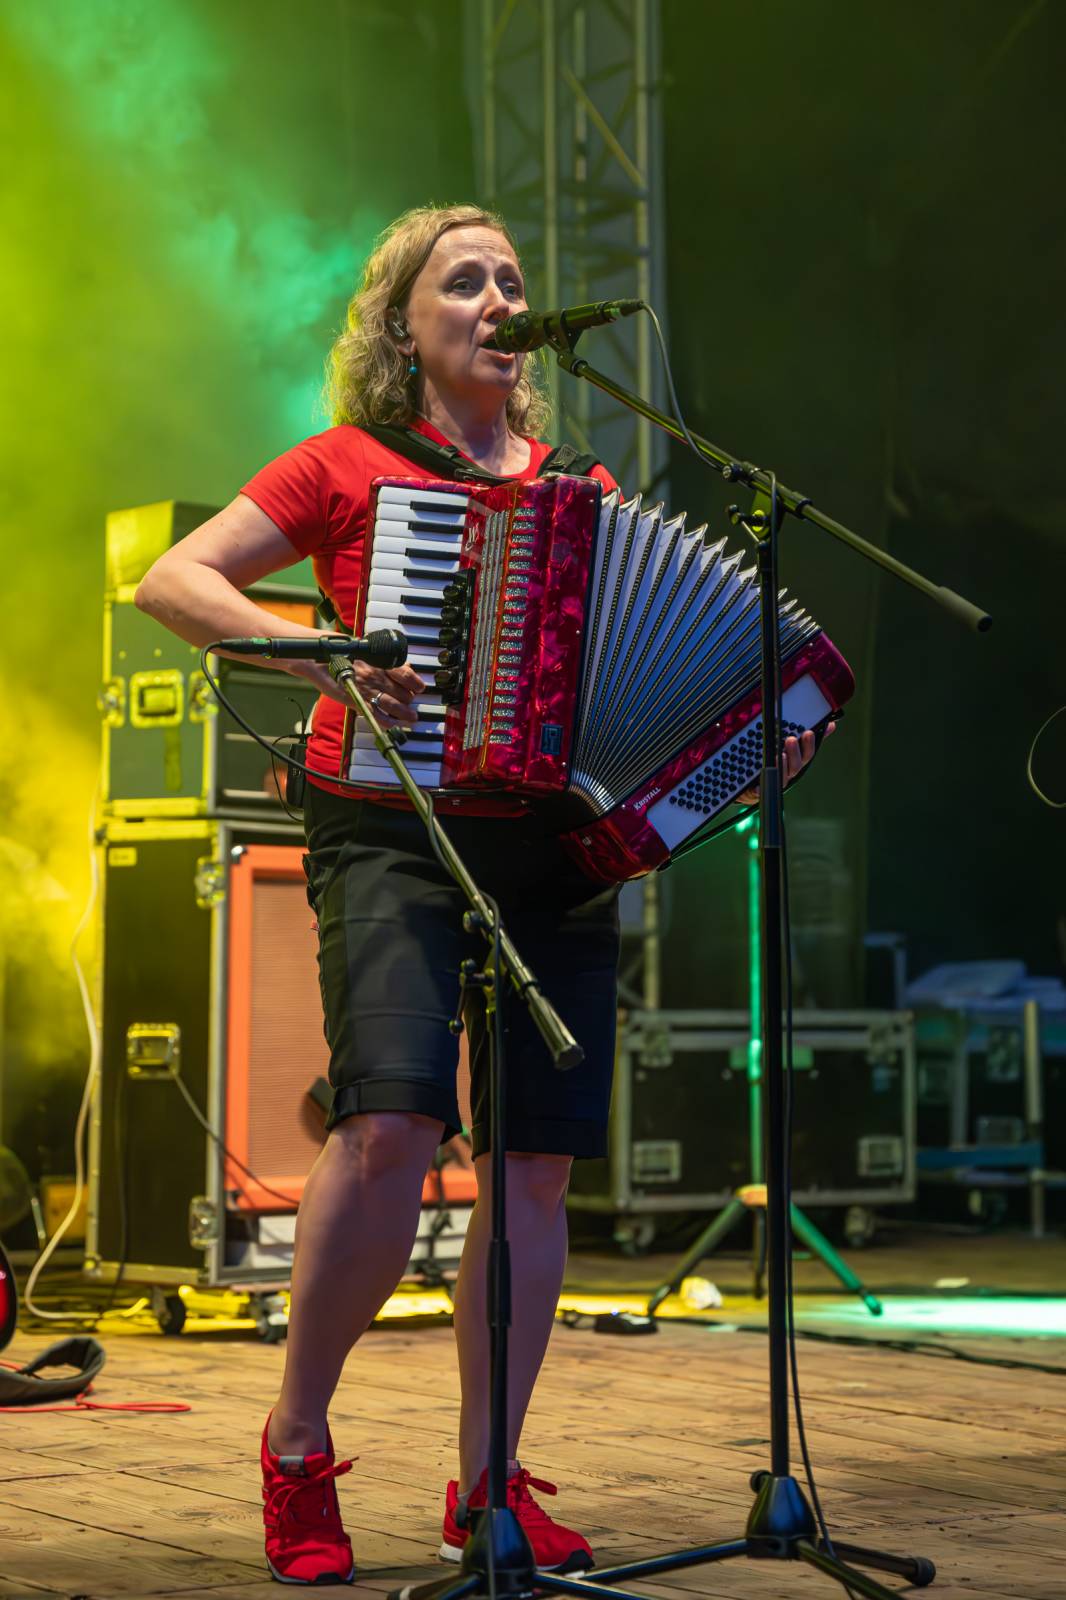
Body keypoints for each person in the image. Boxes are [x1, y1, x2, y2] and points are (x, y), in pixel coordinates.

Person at [135, 202, 824, 1587]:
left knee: (532, 1165)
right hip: (388, 824)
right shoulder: (346, 465)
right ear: (404, 326)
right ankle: (296, 1446)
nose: (500, 298)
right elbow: (174, 578)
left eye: (513, 280)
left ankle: (488, 1481)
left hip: (546, 846)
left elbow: (641, 676)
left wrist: (739, 744)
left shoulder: (587, 487)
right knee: (389, 1127)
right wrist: (322, 645)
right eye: (467, 281)